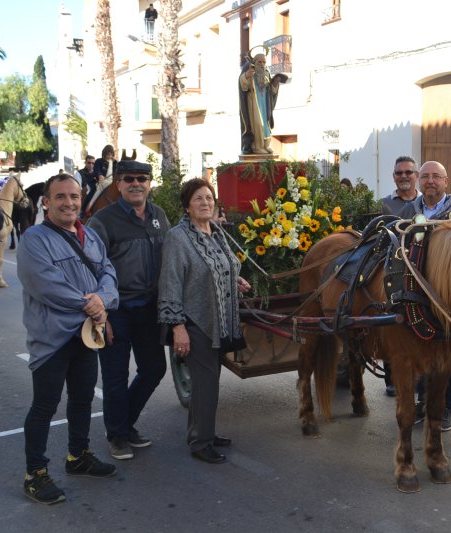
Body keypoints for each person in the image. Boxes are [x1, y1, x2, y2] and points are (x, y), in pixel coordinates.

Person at [16, 174, 119, 505]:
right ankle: (35, 474)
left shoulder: (89, 235)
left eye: (74, 196)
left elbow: (108, 272)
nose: (69, 203)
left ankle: (78, 456)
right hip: (53, 339)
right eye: (60, 196)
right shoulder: (34, 239)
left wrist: (102, 299)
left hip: (86, 335)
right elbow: (45, 285)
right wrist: (90, 305)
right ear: (46, 202)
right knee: (44, 406)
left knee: (82, 398)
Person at [158, 179, 250, 464]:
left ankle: (203, 432)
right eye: (198, 198)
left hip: (218, 320)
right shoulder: (178, 237)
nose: (205, 203)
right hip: (195, 322)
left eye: (209, 198)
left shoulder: (215, 232)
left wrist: (234, 279)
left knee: (207, 383)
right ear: (187, 206)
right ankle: (201, 443)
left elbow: (219, 266)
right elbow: (170, 283)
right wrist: (178, 328)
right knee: (206, 383)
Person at [86, 160, 171, 461]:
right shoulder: (103, 221)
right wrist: (101, 316)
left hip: (148, 308)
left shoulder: (158, 215)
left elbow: (172, 258)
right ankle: (117, 436)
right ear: (119, 184)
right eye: (129, 179)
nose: (136, 184)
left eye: (142, 178)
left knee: (154, 369)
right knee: (115, 377)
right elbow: (91, 271)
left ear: (149, 183)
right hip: (115, 310)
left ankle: (124, 423)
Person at [399, 161, 451, 431]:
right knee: (420, 349)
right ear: (420, 181)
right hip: (417, 293)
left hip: (448, 297)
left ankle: (446, 408)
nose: (430, 181)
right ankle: (422, 403)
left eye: (436, 177)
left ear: (446, 181)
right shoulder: (409, 210)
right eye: (426, 177)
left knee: (448, 355)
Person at [378, 155, 421, 396]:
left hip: (419, 271)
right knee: (391, 320)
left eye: (408, 172)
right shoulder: (384, 204)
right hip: (391, 270)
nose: (404, 176)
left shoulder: (424, 203)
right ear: (393, 177)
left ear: (416, 176)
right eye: (399, 173)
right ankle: (392, 378)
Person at [239, 54, 284, 155]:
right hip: (254, 104)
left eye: (264, 62)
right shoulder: (250, 73)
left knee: (266, 125)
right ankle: (257, 147)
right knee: (258, 125)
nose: (262, 64)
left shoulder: (266, 74)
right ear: (254, 62)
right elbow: (243, 86)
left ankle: (266, 145)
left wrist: (275, 83)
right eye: (259, 62)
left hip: (265, 104)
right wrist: (246, 75)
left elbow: (271, 91)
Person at [83, 145, 116, 214]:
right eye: (108, 154)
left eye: (111, 154)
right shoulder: (99, 161)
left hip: (111, 182)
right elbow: (96, 169)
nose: (109, 156)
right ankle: (85, 209)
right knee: (92, 193)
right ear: (104, 153)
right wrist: (99, 175)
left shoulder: (115, 162)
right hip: (100, 182)